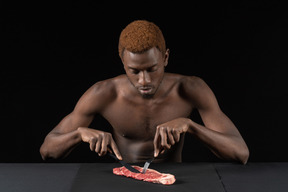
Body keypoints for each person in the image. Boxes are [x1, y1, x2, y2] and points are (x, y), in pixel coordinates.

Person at [40, 20, 249, 164]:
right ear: (123, 63)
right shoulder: (103, 93)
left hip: (174, 183)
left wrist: (190, 126)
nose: (144, 80)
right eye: (135, 71)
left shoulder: (190, 89)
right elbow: (47, 150)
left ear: (165, 58)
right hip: (123, 182)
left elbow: (241, 153)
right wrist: (78, 135)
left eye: (152, 69)